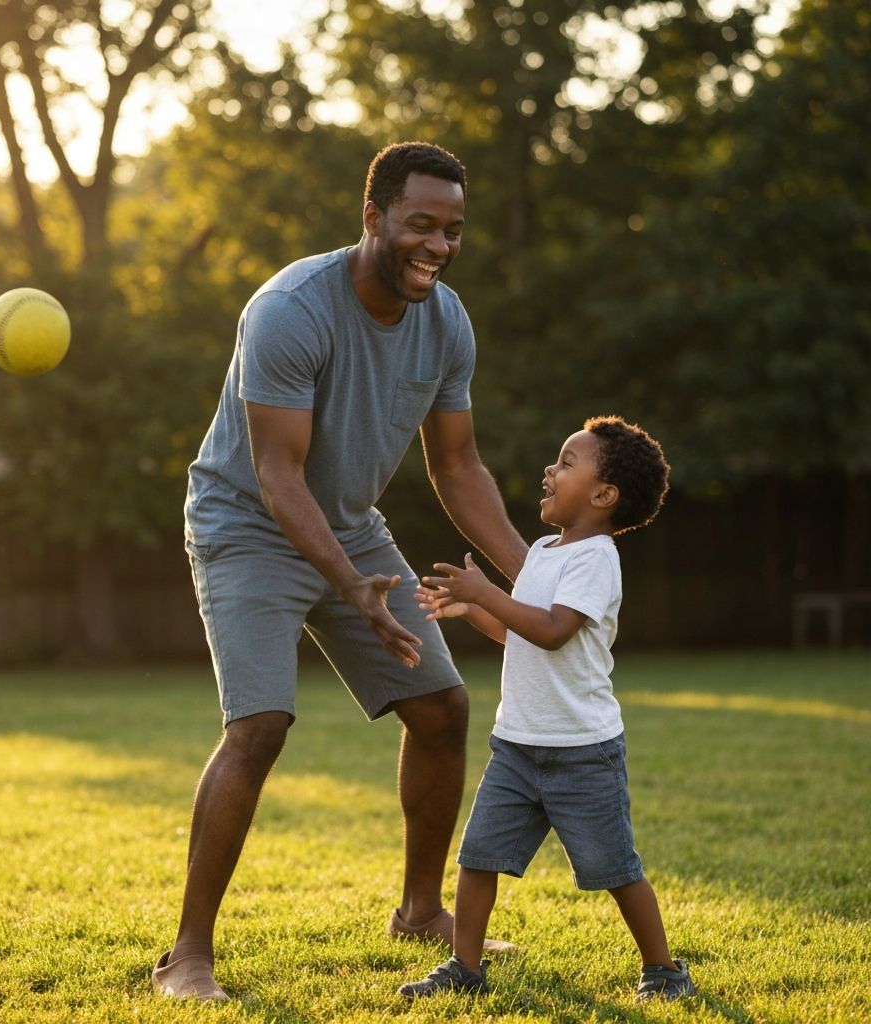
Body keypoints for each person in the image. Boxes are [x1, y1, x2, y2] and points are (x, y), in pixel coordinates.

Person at [152, 142, 527, 1002]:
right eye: (420, 225)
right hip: (247, 525)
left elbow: (458, 465)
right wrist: (348, 583)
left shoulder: (447, 321)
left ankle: (419, 911)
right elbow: (279, 475)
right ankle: (188, 955)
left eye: (453, 229)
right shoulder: (290, 309)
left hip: (352, 529)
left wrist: (533, 571)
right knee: (261, 727)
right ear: (374, 219)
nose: (437, 244)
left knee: (441, 708)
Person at [399, 415, 697, 1003]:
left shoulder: (595, 558)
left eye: (565, 462)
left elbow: (557, 630)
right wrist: (473, 610)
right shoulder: (541, 552)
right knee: (478, 856)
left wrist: (486, 592)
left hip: (581, 752)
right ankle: (465, 966)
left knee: (615, 867)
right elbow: (522, 634)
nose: (549, 469)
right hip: (516, 745)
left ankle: (664, 969)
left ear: (603, 495)